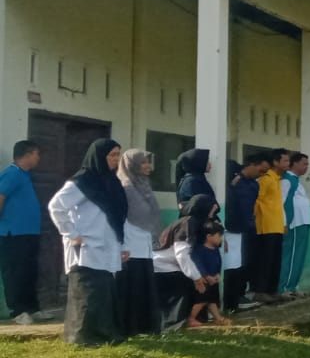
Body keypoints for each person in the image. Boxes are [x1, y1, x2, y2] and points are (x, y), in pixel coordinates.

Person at [47, 139, 128, 347]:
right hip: (86, 247)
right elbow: (56, 206)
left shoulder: (112, 181)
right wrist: (72, 233)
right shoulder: (81, 182)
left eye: (118, 155)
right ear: (99, 157)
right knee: (87, 294)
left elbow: (116, 217)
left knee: (103, 293)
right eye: (112, 155)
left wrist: (121, 245)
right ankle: (83, 337)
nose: (116, 160)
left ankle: (105, 334)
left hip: (107, 245)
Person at [153, 195, 225, 330]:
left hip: (175, 265)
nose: (212, 214)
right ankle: (174, 324)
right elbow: (182, 254)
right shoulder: (188, 223)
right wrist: (197, 277)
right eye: (211, 210)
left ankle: (193, 318)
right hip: (163, 266)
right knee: (185, 287)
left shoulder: (196, 223)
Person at [115, 148, 163, 336]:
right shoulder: (125, 186)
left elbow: (150, 214)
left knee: (144, 285)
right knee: (132, 286)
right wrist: (123, 244)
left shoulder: (143, 185)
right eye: (143, 162)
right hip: (130, 242)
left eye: (148, 162)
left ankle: (146, 326)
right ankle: (130, 327)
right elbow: (121, 216)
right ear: (132, 165)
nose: (148, 166)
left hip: (145, 241)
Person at [1, 140, 45, 324]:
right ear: (27, 155)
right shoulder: (11, 173)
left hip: (29, 233)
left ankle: (32, 309)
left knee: (30, 271)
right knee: (15, 272)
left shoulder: (25, 175)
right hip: (13, 233)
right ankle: (16, 311)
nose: (38, 158)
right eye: (37, 154)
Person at [223, 157, 264, 314]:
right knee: (233, 265)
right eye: (260, 170)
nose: (261, 175)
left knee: (242, 263)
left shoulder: (252, 184)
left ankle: (238, 296)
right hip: (231, 228)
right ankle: (233, 299)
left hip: (244, 228)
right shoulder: (232, 185)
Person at [252, 148, 289, 303]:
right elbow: (257, 200)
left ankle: (272, 291)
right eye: (285, 161)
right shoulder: (266, 179)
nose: (288, 164)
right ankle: (260, 291)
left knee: (275, 260)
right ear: (275, 162)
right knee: (265, 260)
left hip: (276, 226)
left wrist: (283, 224)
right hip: (266, 226)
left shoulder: (277, 179)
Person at [279, 153, 310, 295]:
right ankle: (284, 286)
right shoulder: (286, 180)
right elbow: (281, 203)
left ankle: (293, 285)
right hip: (293, 223)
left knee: (298, 255)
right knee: (291, 255)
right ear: (295, 164)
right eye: (304, 163)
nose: (306, 167)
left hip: (302, 223)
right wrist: (285, 222)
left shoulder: (296, 181)